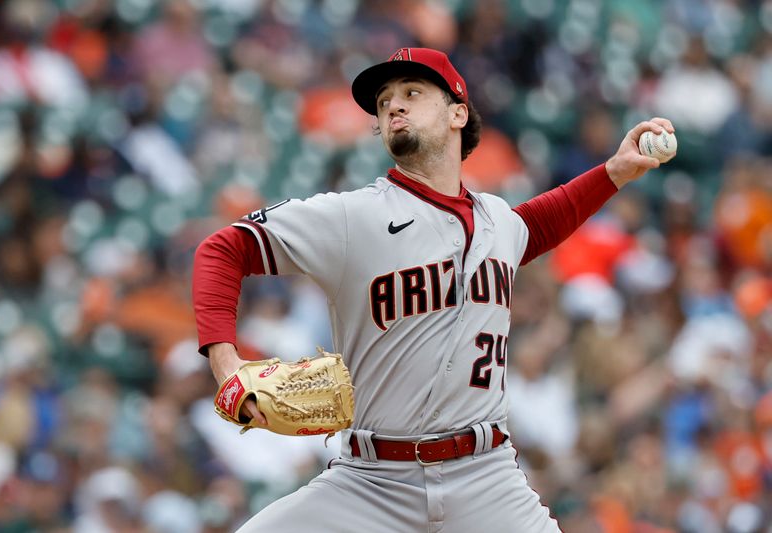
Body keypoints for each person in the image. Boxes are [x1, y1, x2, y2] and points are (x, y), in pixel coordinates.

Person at [192, 47, 674, 532]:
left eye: (412, 93)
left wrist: (614, 173)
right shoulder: (351, 217)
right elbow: (221, 250)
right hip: (370, 481)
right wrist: (226, 362)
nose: (393, 107)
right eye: (383, 103)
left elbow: (539, 222)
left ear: (458, 113)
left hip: (486, 478)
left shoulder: (498, 224)